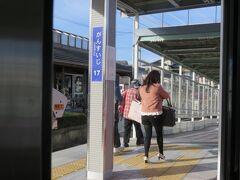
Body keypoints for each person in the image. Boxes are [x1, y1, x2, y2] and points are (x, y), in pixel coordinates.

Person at [139, 70, 170, 163]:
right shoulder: (157, 87)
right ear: (157, 77)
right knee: (159, 135)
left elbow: (142, 97)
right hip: (156, 114)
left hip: (144, 115)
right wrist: (160, 97)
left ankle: (146, 156)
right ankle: (161, 154)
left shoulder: (141, 88)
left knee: (147, 136)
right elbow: (167, 96)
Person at [121, 79, 144, 147]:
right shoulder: (138, 92)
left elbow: (121, 96)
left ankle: (125, 142)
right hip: (135, 113)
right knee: (137, 127)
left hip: (127, 113)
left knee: (127, 129)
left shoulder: (127, 91)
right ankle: (139, 141)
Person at [113, 74, 124, 154]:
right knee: (114, 128)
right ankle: (116, 146)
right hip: (113, 110)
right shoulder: (115, 86)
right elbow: (119, 98)